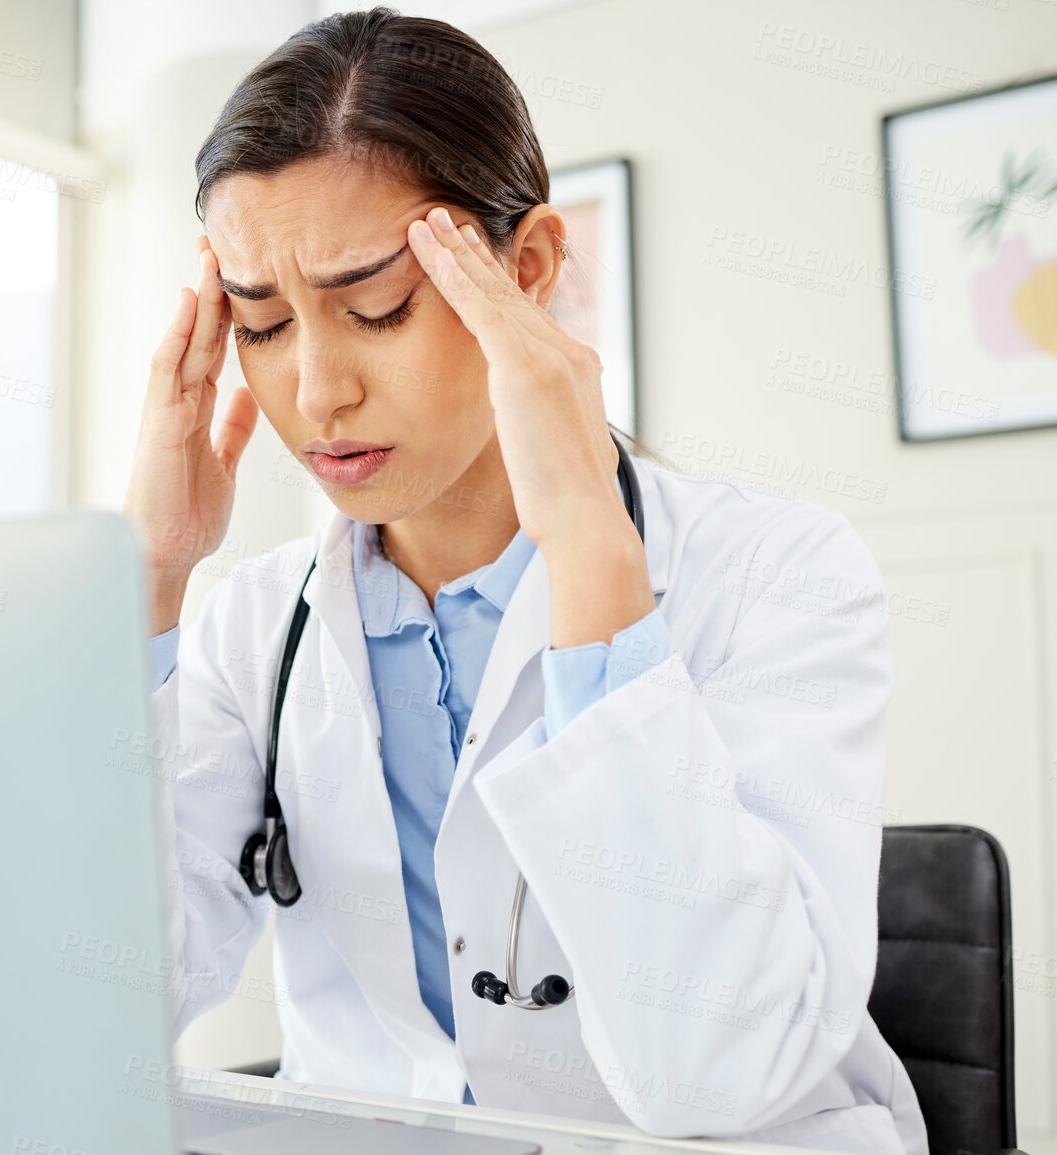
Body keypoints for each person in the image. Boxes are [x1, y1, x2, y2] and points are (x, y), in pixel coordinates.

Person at [121, 9, 926, 1154]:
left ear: (529, 266)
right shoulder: (260, 625)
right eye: (262, 324)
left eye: (376, 308)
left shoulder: (779, 575)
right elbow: (94, 999)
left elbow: (722, 1074)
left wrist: (596, 566)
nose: (316, 393)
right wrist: (146, 583)